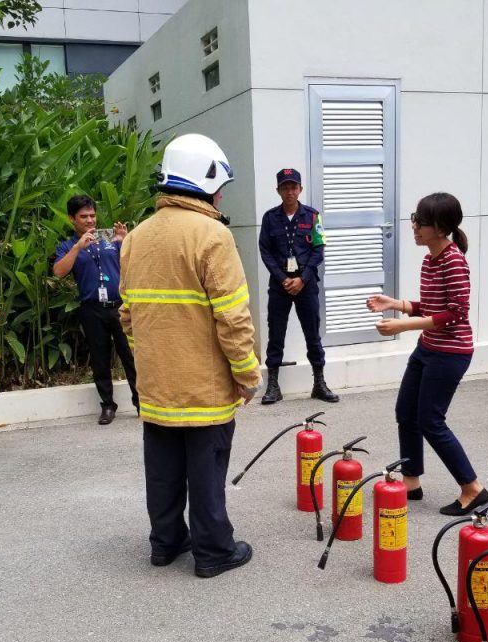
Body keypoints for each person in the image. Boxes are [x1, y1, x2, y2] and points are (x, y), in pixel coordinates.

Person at [119, 133, 262, 578]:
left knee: (162, 468)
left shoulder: (137, 237)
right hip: (204, 385)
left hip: (156, 383)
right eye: (220, 186)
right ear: (204, 181)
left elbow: (128, 315)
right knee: (206, 469)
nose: (221, 195)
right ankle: (214, 550)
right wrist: (247, 374)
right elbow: (233, 317)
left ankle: (166, 542)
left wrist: (150, 362)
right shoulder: (212, 235)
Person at [366, 192, 488, 516]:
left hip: (450, 353)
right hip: (429, 348)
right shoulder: (430, 259)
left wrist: (404, 326)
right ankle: (411, 480)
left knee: (431, 421)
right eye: (415, 218)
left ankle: (473, 488)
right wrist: (394, 304)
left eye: (421, 221)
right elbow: (431, 306)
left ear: (439, 227)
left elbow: (457, 313)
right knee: (406, 411)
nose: (415, 226)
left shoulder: (453, 260)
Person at [53, 195, 138, 425]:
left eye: (92, 215)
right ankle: (108, 406)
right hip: (92, 309)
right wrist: (78, 247)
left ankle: (141, 403)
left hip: (119, 307)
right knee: (100, 360)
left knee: (130, 356)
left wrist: (125, 240)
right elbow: (59, 272)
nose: (90, 220)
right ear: (72, 219)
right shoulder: (67, 246)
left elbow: (135, 264)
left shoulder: (110, 238)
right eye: (83, 217)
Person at [258, 168, 339, 405]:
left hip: (306, 284)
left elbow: (318, 249)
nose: (289, 192)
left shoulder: (313, 216)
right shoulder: (270, 217)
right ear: (278, 191)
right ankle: (273, 385)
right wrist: (283, 278)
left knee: (312, 333)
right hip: (280, 284)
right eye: (285, 187)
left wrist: (302, 278)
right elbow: (265, 251)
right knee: (276, 333)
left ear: (300, 189)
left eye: (294, 187)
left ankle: (319, 383)